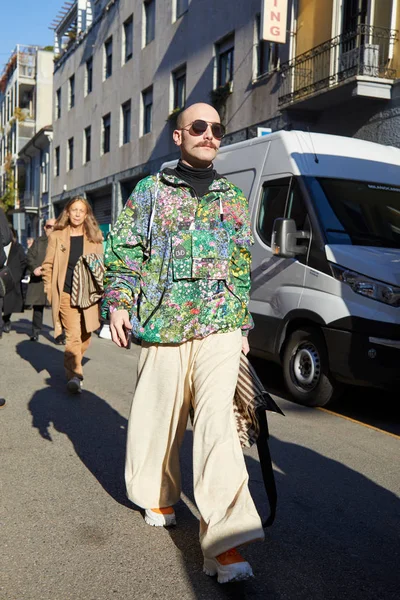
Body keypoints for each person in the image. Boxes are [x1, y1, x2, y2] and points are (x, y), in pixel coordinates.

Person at [102, 102, 264, 584]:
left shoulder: (232, 198)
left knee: (216, 421)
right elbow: (125, 252)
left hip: (218, 324)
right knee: (159, 417)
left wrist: (243, 328)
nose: (209, 134)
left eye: (216, 128)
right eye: (198, 127)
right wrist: (118, 303)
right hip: (163, 323)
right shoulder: (150, 191)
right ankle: (158, 493)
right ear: (178, 136)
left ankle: (225, 542)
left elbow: (239, 266)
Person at [42, 197, 103, 394]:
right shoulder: (57, 236)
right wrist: (50, 292)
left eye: (81, 211)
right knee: (73, 336)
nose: (77, 214)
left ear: (86, 215)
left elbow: (101, 267)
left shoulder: (95, 237)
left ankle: (72, 363)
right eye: (74, 210)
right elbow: (48, 266)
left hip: (87, 295)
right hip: (66, 294)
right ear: (67, 212)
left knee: (86, 336)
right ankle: (75, 376)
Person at [25, 219, 56, 341]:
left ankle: (60, 335)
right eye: (49, 226)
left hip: (55, 280)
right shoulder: (38, 241)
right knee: (38, 307)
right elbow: (29, 257)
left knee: (59, 308)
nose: (52, 229)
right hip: (39, 279)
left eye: (54, 226)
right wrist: (34, 269)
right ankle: (35, 332)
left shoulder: (62, 241)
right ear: (44, 227)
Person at [0, 227, 27, 337]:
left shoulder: (18, 247)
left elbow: (23, 262)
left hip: (11, 279)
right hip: (0, 277)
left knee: (9, 303)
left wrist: (19, 275)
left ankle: (6, 320)